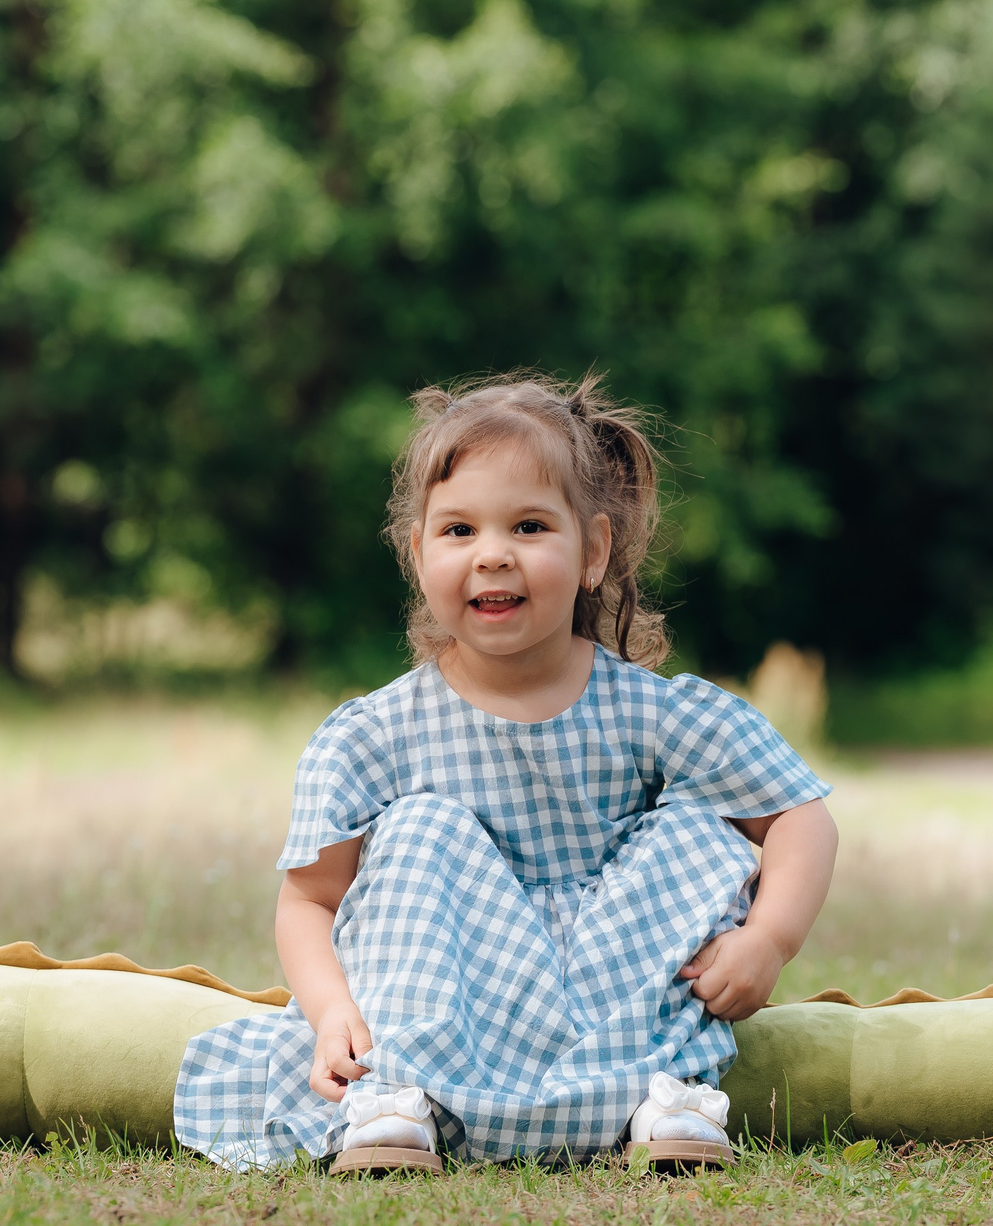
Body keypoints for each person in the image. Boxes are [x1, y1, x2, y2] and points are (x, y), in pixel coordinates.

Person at [173, 372, 839, 1172]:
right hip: (451, 1026)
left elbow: (800, 814)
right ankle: (393, 1103)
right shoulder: (376, 735)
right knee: (421, 826)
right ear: (417, 553)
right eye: (458, 530)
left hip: (613, 1012)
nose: (492, 554)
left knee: (698, 826)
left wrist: (768, 938)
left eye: (528, 525)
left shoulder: (649, 713)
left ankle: (669, 1097)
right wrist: (331, 1010)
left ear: (592, 551)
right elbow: (310, 899)